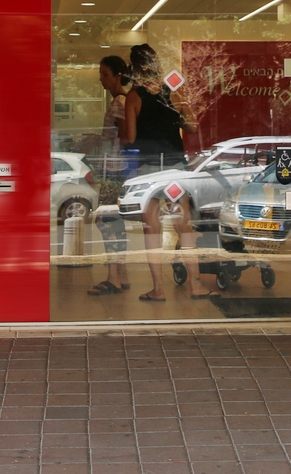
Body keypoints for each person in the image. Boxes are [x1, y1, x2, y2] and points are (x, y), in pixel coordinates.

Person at [122, 43, 212, 302]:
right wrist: (174, 120)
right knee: (184, 227)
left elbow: (131, 137)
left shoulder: (133, 97)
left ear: (135, 68)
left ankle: (158, 289)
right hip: (174, 168)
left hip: (149, 171)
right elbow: (192, 126)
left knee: (151, 229)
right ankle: (196, 286)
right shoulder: (174, 91)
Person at [88, 55, 130, 297]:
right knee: (115, 221)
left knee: (106, 220)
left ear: (118, 76)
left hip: (114, 170)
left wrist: (100, 142)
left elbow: (124, 137)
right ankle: (120, 274)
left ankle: (113, 277)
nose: (101, 79)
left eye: (105, 74)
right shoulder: (119, 102)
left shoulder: (119, 103)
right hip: (115, 168)